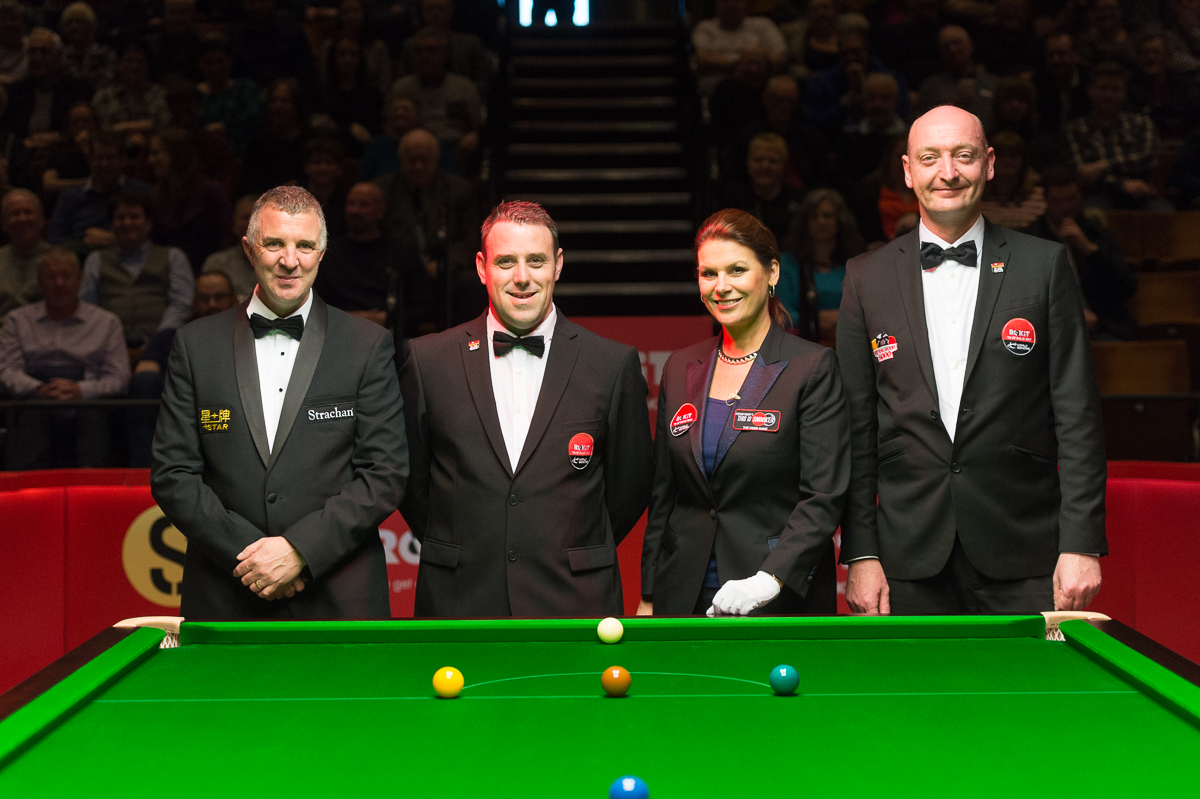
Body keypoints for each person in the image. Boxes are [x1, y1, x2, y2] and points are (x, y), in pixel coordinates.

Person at [836, 105, 1107, 616]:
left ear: (989, 163)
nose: (948, 172)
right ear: (907, 171)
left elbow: (1078, 416)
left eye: (963, 155)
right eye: (930, 158)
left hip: (1025, 549)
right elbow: (855, 429)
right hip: (905, 555)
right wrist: (861, 553)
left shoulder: (1044, 264)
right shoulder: (865, 278)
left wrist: (1081, 543)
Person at [150, 185, 408, 619]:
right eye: (274, 244)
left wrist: (300, 550)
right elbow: (173, 474)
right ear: (249, 250)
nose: (290, 260)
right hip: (227, 590)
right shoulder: (196, 345)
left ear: (321, 252)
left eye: (305, 245)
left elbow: (385, 473)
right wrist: (253, 557)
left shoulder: (367, 345)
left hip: (338, 595)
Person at [398, 200, 654, 616]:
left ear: (558, 265)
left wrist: (566, 546)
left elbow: (631, 486)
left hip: (574, 598)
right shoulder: (429, 361)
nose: (522, 277)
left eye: (536, 261)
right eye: (506, 262)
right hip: (459, 598)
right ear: (482, 267)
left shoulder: (611, 364)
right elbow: (410, 482)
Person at [639, 208, 849, 616]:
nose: (721, 287)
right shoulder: (681, 366)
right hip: (683, 592)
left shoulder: (812, 366)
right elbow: (664, 494)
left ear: (772, 273)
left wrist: (771, 578)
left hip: (775, 595)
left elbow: (823, 495)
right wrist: (649, 593)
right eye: (709, 273)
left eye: (736, 270)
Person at [0, 246, 128, 469]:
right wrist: (39, 389)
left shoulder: (107, 322)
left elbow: (119, 378)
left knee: (93, 412)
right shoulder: (17, 320)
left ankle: (90, 484)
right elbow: (7, 370)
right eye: (50, 277)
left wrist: (81, 391)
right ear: (39, 282)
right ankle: (30, 486)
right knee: (34, 410)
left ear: (79, 279)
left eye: (66, 275)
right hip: (35, 397)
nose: (59, 283)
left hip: (88, 401)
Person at [127, 269, 237, 466]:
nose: (212, 304)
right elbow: (144, 372)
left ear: (233, 300)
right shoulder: (169, 337)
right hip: (176, 410)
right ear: (194, 302)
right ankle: (144, 470)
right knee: (144, 383)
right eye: (204, 298)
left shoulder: (249, 337)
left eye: (219, 297)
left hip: (226, 410)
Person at [1029, 163, 1136, 341]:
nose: (1065, 207)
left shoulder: (1096, 233)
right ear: (1046, 200)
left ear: (1081, 196)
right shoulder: (1033, 237)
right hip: (1051, 330)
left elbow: (1127, 287)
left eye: (1071, 199)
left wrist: (1089, 248)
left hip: (1101, 327)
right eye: (1057, 201)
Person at [79, 192, 194, 347]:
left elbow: (181, 304)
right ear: (112, 224)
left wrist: (158, 341)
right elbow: (87, 307)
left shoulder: (174, 256)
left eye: (134, 217)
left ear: (148, 224)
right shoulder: (96, 260)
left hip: (163, 344)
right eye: (120, 217)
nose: (127, 223)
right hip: (106, 343)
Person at [314, 181, 424, 340]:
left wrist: (386, 318)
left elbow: (423, 308)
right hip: (336, 332)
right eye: (351, 203)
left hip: (386, 334)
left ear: (380, 211)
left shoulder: (401, 253)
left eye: (363, 205)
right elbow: (313, 305)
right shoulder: (327, 253)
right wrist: (354, 318)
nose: (355, 211)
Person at [1064, 61, 1167, 210]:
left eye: (1115, 89)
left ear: (1124, 94)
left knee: (1163, 212)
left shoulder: (1141, 123)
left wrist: (1103, 165)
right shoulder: (1075, 128)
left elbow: (1147, 158)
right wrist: (1122, 184)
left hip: (1142, 193)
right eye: (1103, 88)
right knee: (1093, 215)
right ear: (1090, 91)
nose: (1108, 94)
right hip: (1099, 195)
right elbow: (1083, 173)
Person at [778, 188, 865, 343]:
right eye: (814, 216)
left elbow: (870, 310)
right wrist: (817, 319)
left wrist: (842, 320)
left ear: (840, 220)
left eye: (827, 215)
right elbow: (781, 315)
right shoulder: (786, 264)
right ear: (805, 222)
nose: (821, 221)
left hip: (851, 339)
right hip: (802, 345)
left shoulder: (856, 263)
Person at [47, 130, 152, 258]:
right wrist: (84, 244)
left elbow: (155, 239)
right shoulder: (70, 196)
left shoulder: (141, 192)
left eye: (110, 158)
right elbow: (55, 240)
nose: (104, 164)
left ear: (123, 159)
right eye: (99, 158)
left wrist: (117, 241)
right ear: (89, 160)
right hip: (80, 261)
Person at [0, 189, 51, 326]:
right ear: (4, 224)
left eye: (28, 212)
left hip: (47, 333)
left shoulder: (58, 261)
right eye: (15, 213)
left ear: (41, 221)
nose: (22, 219)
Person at [201, 194, 257, 300]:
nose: (251, 224)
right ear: (235, 225)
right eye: (246, 218)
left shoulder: (283, 261)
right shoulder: (217, 264)